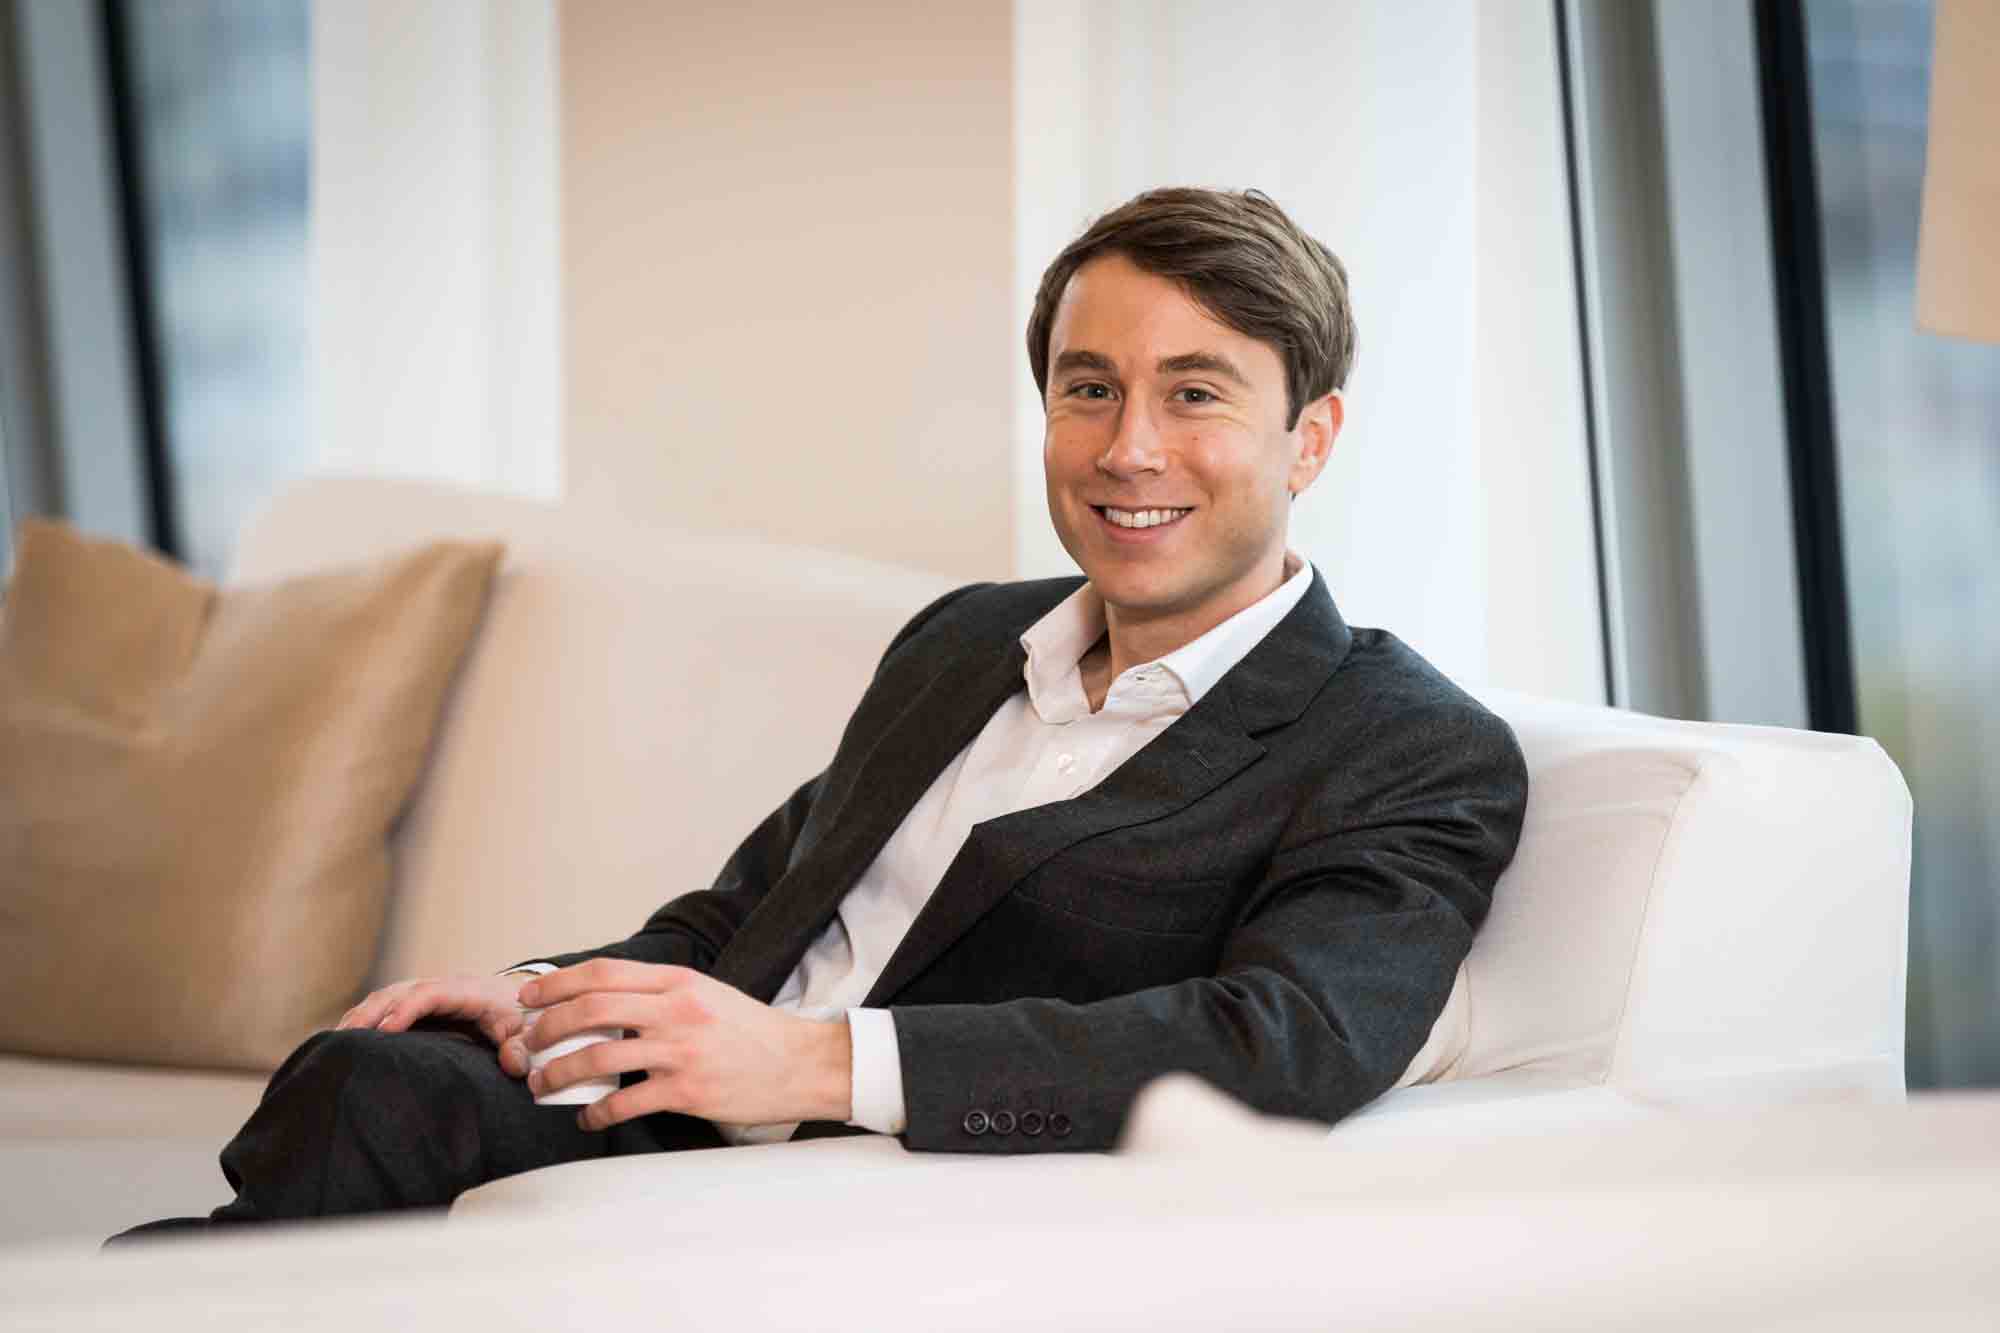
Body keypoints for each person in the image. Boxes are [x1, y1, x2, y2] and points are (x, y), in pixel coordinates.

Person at [111, 186, 1527, 1239]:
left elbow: (1279, 1043)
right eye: (1086, 388)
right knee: (369, 1074)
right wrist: (562, 990)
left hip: (882, 1170)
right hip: (701, 1094)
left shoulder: (1406, 745)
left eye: (1193, 393)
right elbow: (760, 909)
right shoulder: (970, 637)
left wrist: (810, 1060)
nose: (1127, 447)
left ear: (1312, 437)